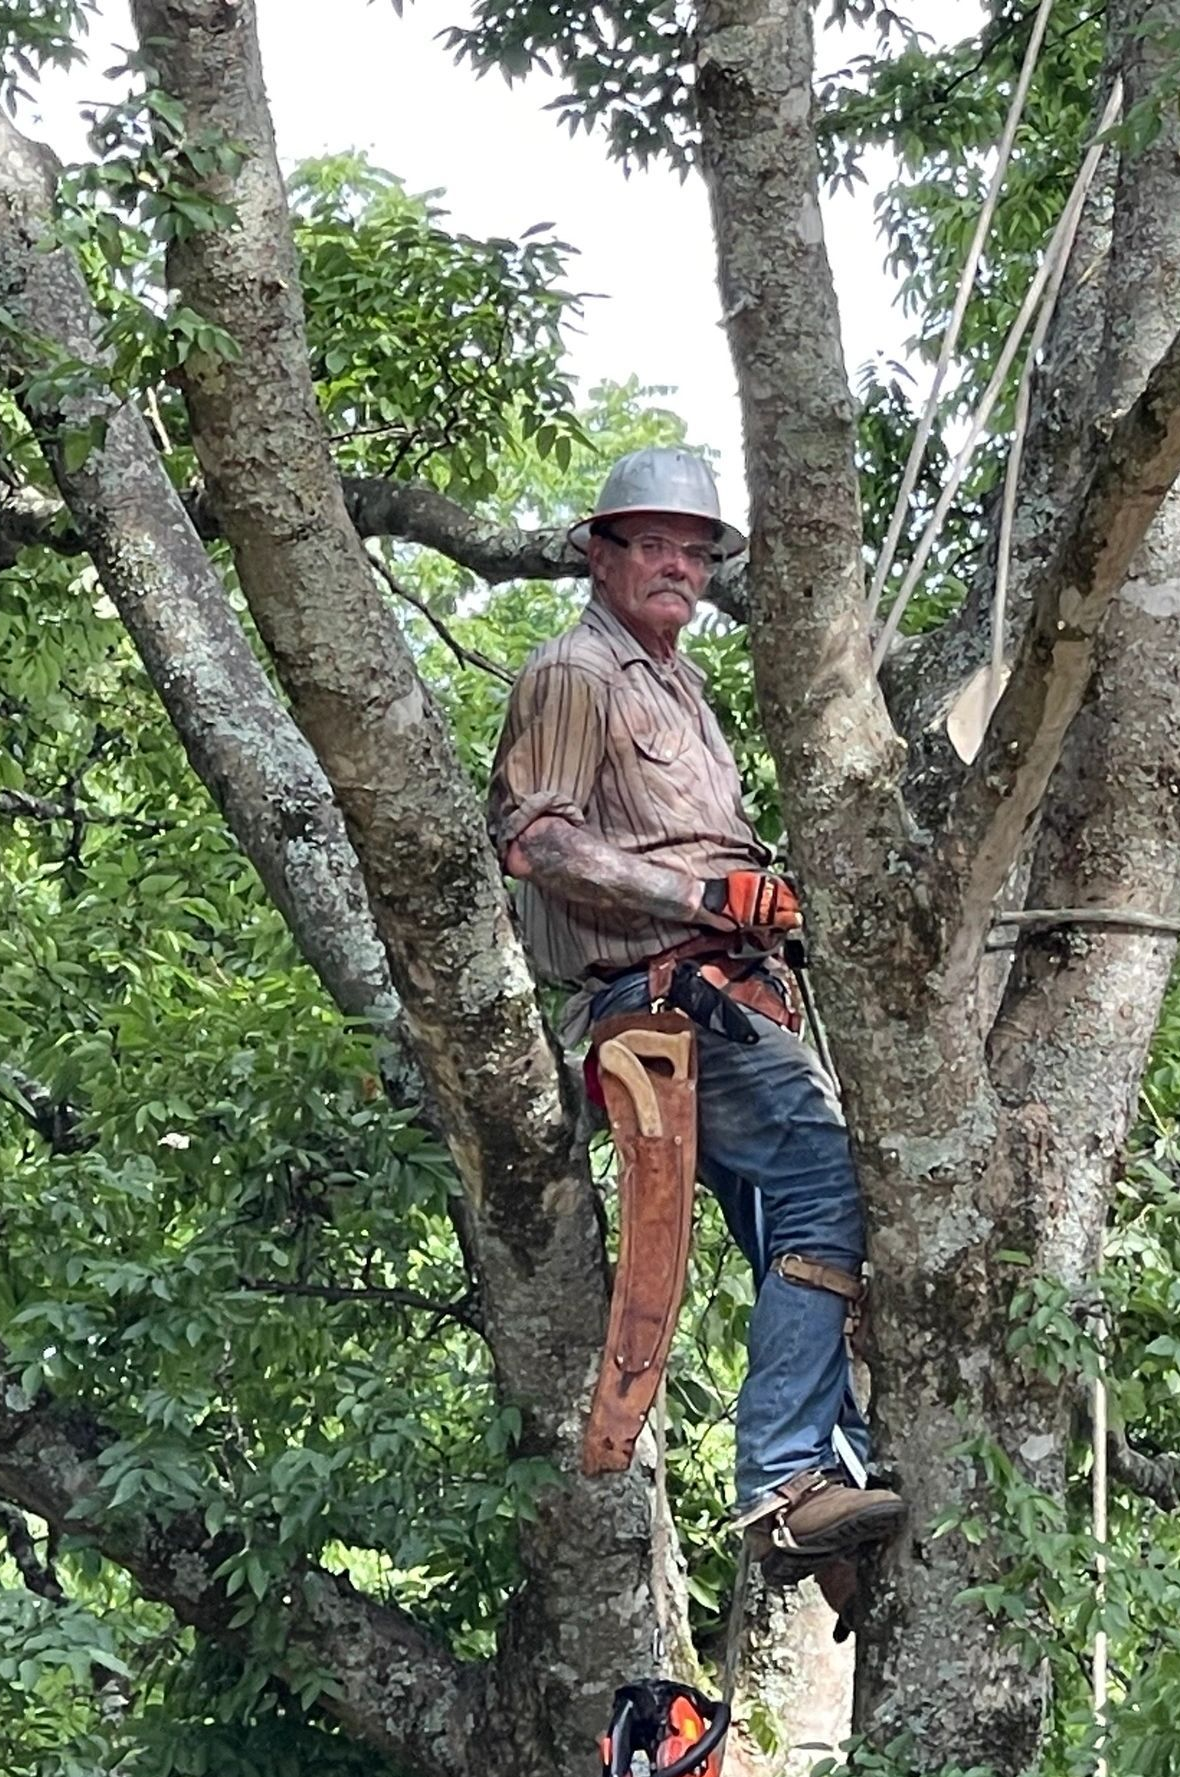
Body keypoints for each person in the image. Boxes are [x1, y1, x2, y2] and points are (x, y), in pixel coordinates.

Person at [486, 446, 906, 1584]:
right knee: (831, 1183)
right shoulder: (576, 672)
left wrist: (774, 912)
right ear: (601, 553)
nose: (680, 566)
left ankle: (843, 1485)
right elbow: (537, 841)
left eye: (697, 550)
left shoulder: (681, 686)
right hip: (665, 1001)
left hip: (729, 990)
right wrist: (702, 895)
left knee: (804, 1226)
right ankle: (783, 1482)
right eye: (656, 545)